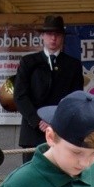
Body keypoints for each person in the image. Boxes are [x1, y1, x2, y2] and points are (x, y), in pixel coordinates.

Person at [13, 15, 83, 163]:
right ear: (43, 36)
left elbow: (75, 99)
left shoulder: (73, 65)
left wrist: (57, 122)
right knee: (32, 172)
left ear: (62, 37)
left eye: (57, 34)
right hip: (33, 133)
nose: (53, 38)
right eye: (50, 34)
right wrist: (38, 121)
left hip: (61, 132)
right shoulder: (28, 62)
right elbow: (20, 96)